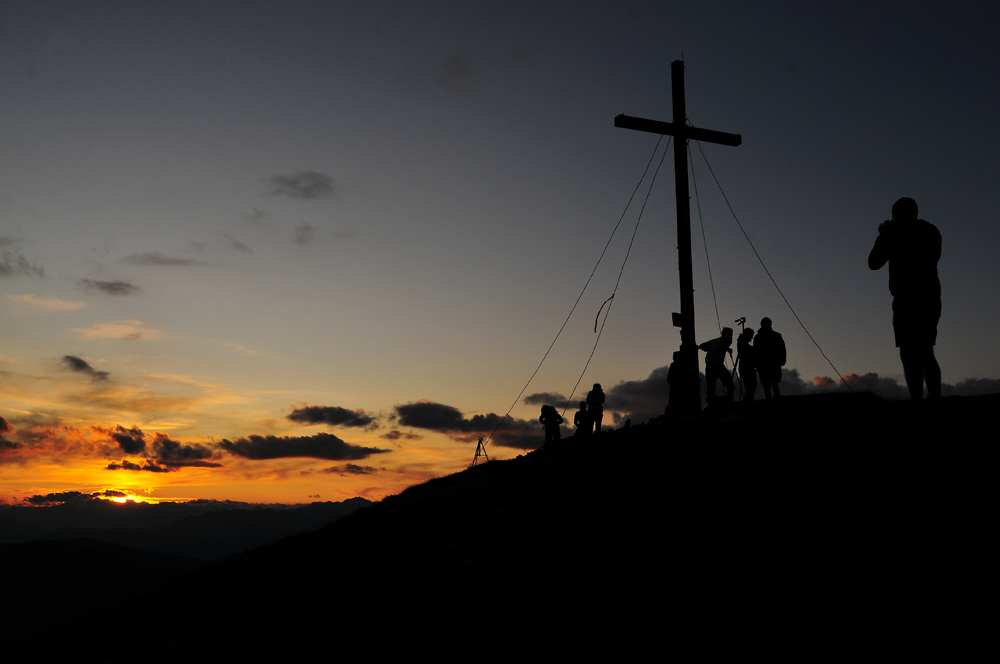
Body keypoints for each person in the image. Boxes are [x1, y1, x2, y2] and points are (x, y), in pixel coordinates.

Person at [868, 197, 942, 400]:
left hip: (907, 300)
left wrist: (883, 236)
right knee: (926, 352)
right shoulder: (931, 231)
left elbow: (873, 262)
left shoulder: (894, 234)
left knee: (909, 354)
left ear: (897, 214)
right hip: (930, 297)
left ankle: (917, 402)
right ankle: (935, 400)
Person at [698, 327, 734, 402]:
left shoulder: (714, 341)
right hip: (717, 365)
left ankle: (711, 402)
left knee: (711, 386)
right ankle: (729, 402)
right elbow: (724, 342)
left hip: (709, 365)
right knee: (730, 385)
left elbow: (702, 346)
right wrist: (727, 348)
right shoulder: (727, 339)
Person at [754, 318, 785, 399]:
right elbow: (755, 351)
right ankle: (770, 402)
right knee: (766, 386)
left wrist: (782, 360)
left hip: (774, 363)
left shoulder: (776, 335)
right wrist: (756, 363)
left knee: (774, 385)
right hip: (763, 364)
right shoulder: (758, 337)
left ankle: (775, 402)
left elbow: (782, 348)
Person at [736, 328, 757, 402]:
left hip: (746, 368)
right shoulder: (742, 344)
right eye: (751, 336)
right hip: (746, 368)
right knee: (749, 388)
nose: (751, 338)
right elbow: (744, 353)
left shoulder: (742, 343)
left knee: (750, 388)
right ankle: (748, 403)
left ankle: (748, 402)